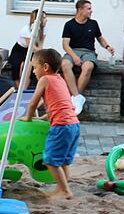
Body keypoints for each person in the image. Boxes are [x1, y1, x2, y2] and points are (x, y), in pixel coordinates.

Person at [22, 49, 80, 200]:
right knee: (64, 161)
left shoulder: (45, 80)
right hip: (74, 124)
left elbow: (33, 103)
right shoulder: (60, 79)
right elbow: (60, 104)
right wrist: (43, 117)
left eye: (35, 67)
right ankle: (62, 188)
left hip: (61, 126)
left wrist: (28, 118)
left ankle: (66, 191)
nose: (34, 71)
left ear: (45, 67)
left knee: (50, 160)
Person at [60, 0, 115, 115]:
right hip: (72, 51)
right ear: (80, 10)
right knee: (65, 64)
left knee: (88, 66)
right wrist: (74, 57)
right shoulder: (69, 25)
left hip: (88, 52)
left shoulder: (93, 23)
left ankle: (75, 98)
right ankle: (77, 97)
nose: (91, 11)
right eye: (88, 8)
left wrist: (107, 47)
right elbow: (65, 45)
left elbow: (100, 38)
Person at [9, 9, 47, 89]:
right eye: (44, 18)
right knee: (20, 66)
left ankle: (23, 90)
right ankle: (19, 89)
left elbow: (40, 45)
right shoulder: (26, 30)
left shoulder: (43, 30)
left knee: (30, 65)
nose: (46, 20)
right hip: (20, 51)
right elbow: (32, 48)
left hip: (32, 51)